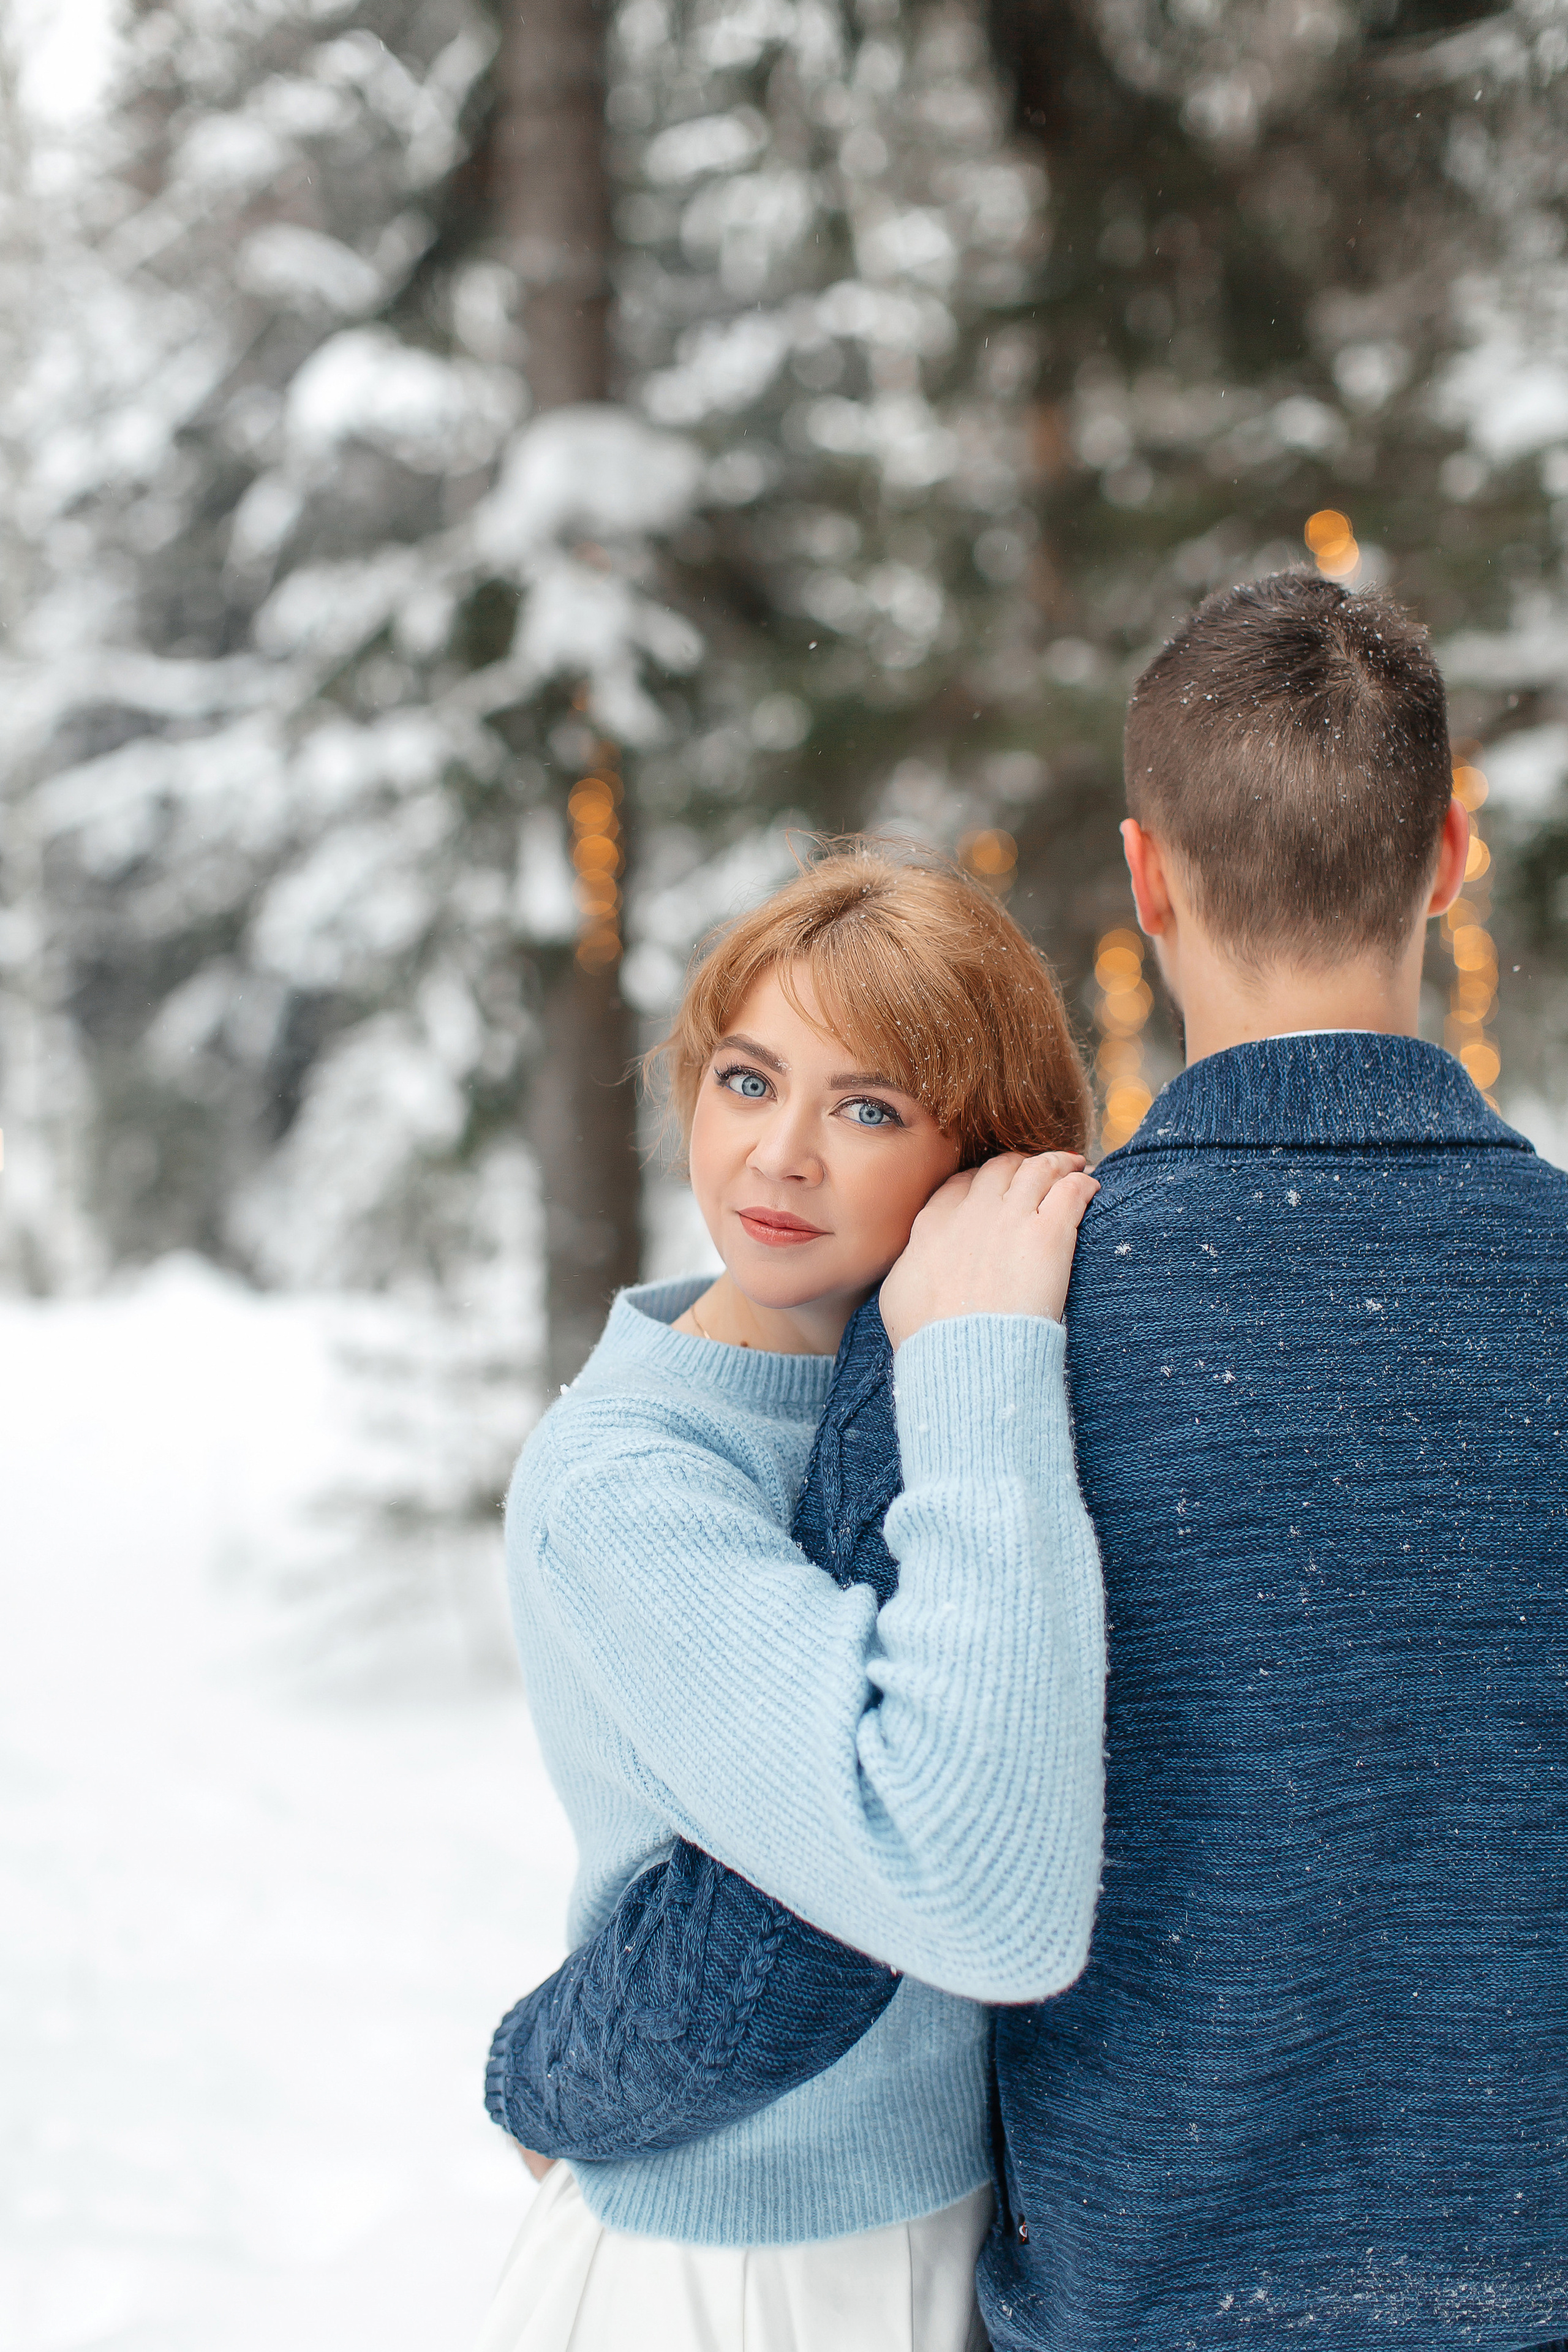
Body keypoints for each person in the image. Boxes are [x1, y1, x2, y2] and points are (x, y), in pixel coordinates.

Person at [489, 572, 1568, 2350]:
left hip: (1133, 2305)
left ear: (1146, 883)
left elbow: (824, 1906)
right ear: (1448, 854)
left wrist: (541, 2073)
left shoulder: (996, 1322)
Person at [475, 846, 1109, 2352]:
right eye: (748, 1083)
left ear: (979, 1154)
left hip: (964, 2244)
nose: (779, 1156)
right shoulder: (625, 1480)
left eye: (867, 1107)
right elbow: (911, 1852)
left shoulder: (983, 1397)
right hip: (727, 2273)